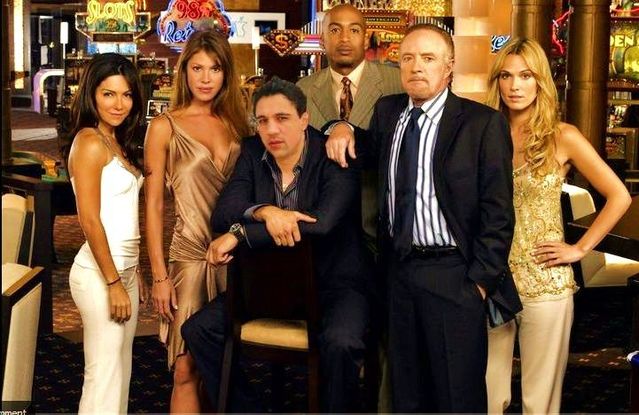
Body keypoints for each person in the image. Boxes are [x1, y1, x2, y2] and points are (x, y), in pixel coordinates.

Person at [328, 23, 523, 412]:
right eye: (408, 58)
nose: (416, 66)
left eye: (429, 58)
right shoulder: (388, 112)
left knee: (456, 397)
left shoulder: (481, 124)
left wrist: (478, 283)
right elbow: (364, 149)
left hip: (455, 277)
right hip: (398, 274)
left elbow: (499, 213)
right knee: (407, 395)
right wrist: (342, 126)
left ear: (449, 66)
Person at [181, 77, 372, 412]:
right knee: (198, 330)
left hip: (335, 285)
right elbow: (224, 212)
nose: (271, 130)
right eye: (263, 120)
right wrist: (266, 212)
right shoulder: (252, 151)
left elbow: (321, 224)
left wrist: (242, 234)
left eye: (282, 118)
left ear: (304, 119)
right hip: (269, 286)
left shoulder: (332, 155)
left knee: (341, 344)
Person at [485, 37, 632, 414]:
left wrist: (580, 248)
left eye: (526, 75)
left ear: (541, 81)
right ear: (497, 81)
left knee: (540, 402)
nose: (515, 86)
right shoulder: (483, 132)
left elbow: (619, 196)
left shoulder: (562, 136)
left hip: (546, 280)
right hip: (490, 280)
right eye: (506, 76)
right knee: (486, 396)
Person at [144, 29, 251, 412]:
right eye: (197, 68)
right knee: (185, 368)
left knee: (223, 367)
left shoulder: (240, 126)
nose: (206, 78)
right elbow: (154, 206)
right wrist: (159, 276)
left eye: (215, 69)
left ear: (226, 74)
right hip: (189, 259)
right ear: (184, 72)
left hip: (236, 259)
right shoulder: (164, 126)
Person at [64, 52, 146, 414]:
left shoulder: (118, 141)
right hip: (99, 274)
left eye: (126, 95)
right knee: (103, 373)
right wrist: (113, 281)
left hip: (124, 270)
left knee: (120, 371)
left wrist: (134, 270)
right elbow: (90, 220)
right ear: (92, 95)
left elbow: (124, 215)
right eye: (108, 94)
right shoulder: (89, 141)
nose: (118, 104)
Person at [297, 3, 403, 243]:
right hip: (323, 224)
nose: (344, 38)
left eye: (354, 30)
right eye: (335, 30)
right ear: (322, 40)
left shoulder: (396, 83)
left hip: (383, 224)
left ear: (366, 40)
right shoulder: (303, 90)